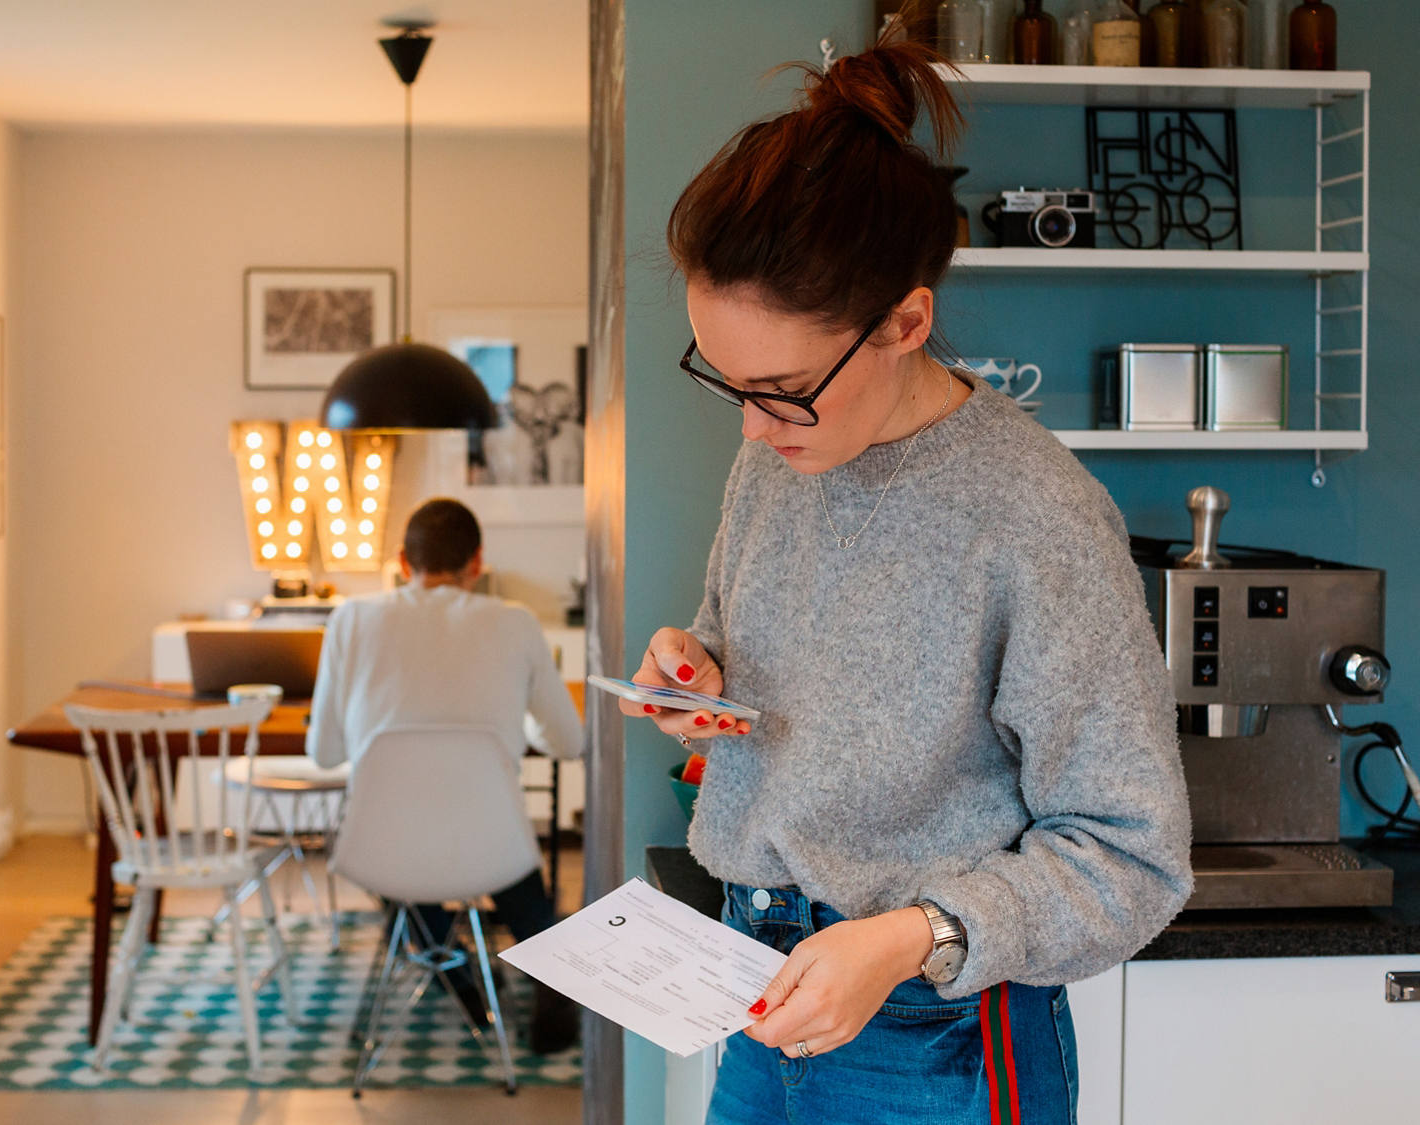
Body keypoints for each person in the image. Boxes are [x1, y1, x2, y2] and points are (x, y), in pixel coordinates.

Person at [616, 30, 1193, 1125]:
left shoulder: (1036, 516)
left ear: (905, 320)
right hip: (754, 985)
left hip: (936, 1038)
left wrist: (908, 937)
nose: (751, 423)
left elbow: (1130, 861)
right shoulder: (776, 460)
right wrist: (696, 689)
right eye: (726, 381)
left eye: (781, 387)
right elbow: (758, 692)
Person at [307, 497, 583, 1054]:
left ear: (403, 562)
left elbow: (324, 752)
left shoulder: (351, 621)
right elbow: (570, 743)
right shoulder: (516, 623)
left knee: (406, 841)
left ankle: (454, 971)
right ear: (476, 562)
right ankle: (552, 979)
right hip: (494, 850)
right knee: (490, 834)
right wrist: (507, 729)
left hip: (382, 852)